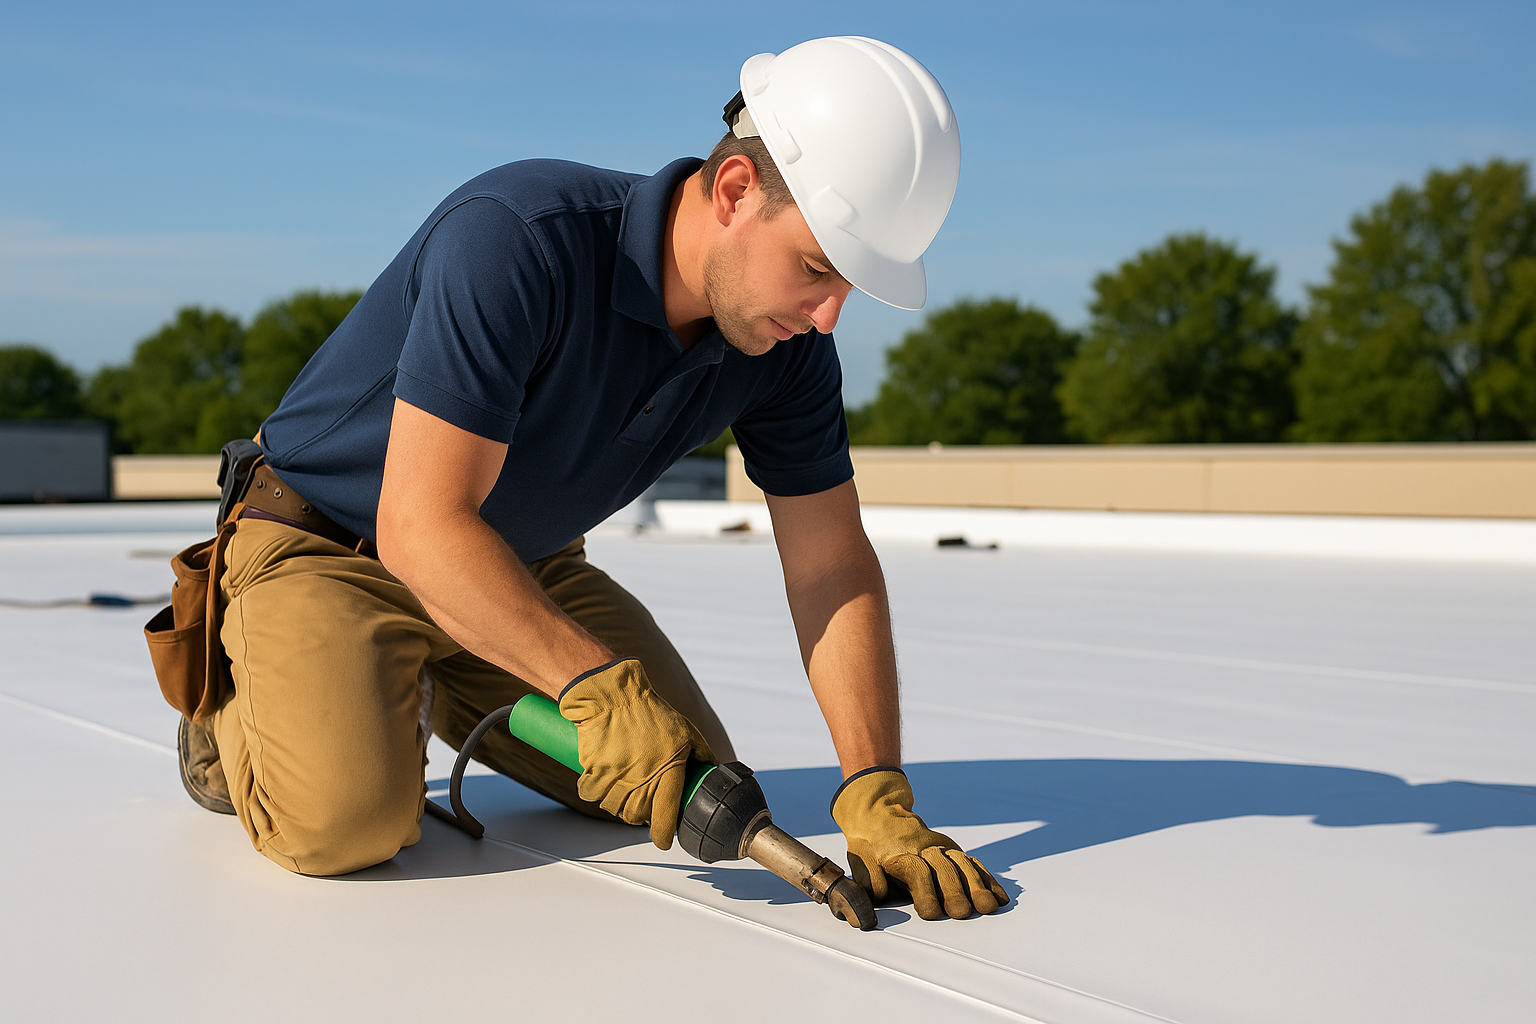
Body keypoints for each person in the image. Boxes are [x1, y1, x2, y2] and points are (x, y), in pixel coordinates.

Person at [176, 36, 1008, 921]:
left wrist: (875, 789)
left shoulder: (786, 347)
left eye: (850, 286)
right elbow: (420, 526)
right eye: (814, 269)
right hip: (329, 544)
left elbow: (831, 566)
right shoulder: (519, 239)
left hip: (514, 564)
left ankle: (444, 675)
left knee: (686, 779)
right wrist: (594, 683)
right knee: (345, 825)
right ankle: (232, 708)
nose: (829, 313)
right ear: (734, 192)